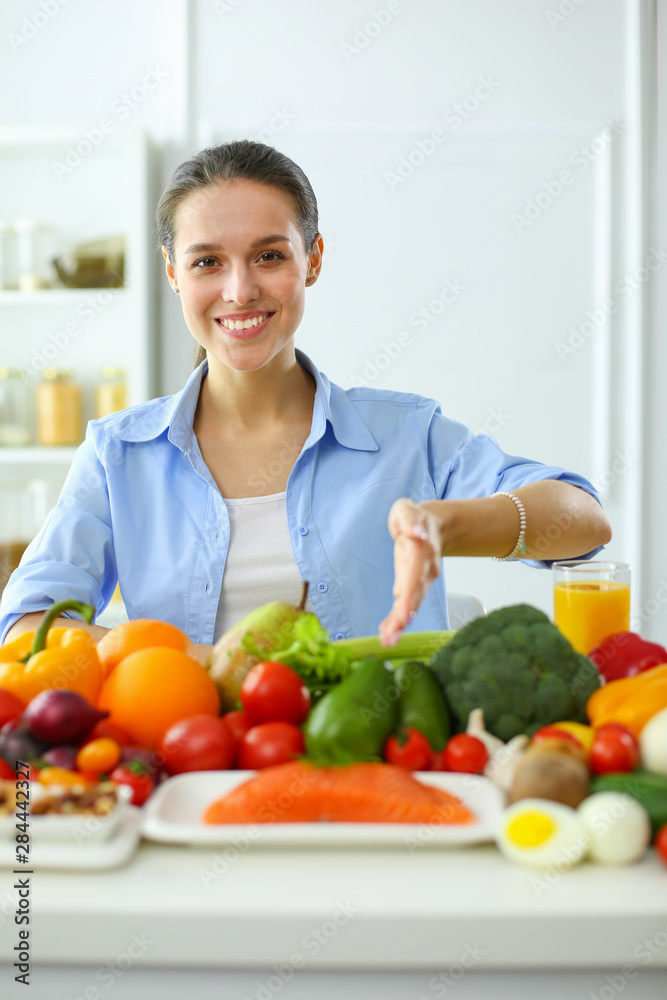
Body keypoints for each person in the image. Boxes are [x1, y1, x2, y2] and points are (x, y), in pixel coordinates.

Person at [0, 140, 611, 661]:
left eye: (269, 256)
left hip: (377, 765)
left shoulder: (405, 433)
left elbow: (583, 522)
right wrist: (194, 661)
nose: (239, 290)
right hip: (184, 767)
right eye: (208, 262)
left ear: (312, 260)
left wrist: (445, 524)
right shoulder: (117, 455)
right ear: (173, 275)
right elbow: (25, 626)